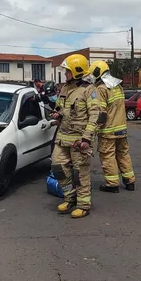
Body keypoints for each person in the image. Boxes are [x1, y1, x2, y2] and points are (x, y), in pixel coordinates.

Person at [49, 54, 102, 218]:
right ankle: (70, 198)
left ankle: (83, 205)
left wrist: (87, 138)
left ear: (77, 71)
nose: (65, 74)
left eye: (68, 71)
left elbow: (97, 116)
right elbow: (60, 107)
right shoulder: (65, 88)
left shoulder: (89, 90)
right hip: (62, 138)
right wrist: (57, 114)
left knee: (80, 173)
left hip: (80, 141)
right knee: (57, 166)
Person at [89, 60, 136, 192]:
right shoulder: (118, 86)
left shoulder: (101, 89)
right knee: (123, 155)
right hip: (122, 129)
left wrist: (92, 130)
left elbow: (101, 113)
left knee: (107, 156)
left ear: (97, 73)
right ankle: (129, 181)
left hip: (108, 131)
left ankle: (112, 184)